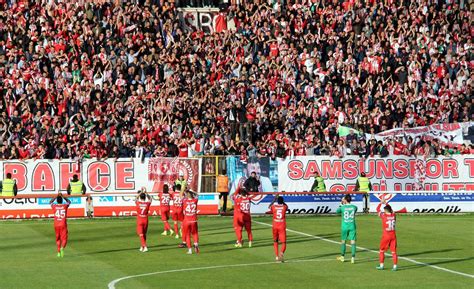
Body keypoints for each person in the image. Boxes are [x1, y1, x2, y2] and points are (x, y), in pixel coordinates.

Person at [376, 199, 398, 271]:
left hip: (386, 236)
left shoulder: (383, 215)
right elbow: (390, 209)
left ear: (385, 211)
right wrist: (386, 203)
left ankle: (381, 265)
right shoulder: (394, 215)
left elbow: (377, 209)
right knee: (394, 252)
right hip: (393, 235)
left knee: (381, 250)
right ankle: (395, 266)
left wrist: (381, 203)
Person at [336, 194, 358, 263]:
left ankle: (342, 257)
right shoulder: (354, 207)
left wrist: (341, 203)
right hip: (352, 226)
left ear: (345, 200)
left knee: (343, 241)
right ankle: (353, 258)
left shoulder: (342, 207)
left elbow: (337, 211)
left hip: (344, 226)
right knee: (353, 241)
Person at [49, 192, 71, 257]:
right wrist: (63, 196)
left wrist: (56, 196)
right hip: (63, 224)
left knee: (57, 239)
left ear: (57, 201)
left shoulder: (54, 206)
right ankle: (62, 248)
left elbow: (50, 202)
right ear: (62, 200)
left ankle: (58, 252)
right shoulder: (65, 206)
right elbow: (69, 201)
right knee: (64, 239)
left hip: (56, 224)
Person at [269, 195, 288, 263]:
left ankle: (277, 256)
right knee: (284, 242)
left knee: (275, 241)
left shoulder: (273, 207)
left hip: (275, 226)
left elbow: (269, 206)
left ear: (277, 201)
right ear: (282, 201)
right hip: (282, 226)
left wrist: (274, 200)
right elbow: (287, 206)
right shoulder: (284, 207)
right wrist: (283, 202)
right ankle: (281, 252)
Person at [182, 190, 200, 254]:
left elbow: (181, 195)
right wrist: (192, 191)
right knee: (195, 233)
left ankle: (190, 250)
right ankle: (196, 244)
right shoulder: (195, 201)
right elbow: (197, 195)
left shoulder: (184, 201)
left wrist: (184, 191)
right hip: (194, 220)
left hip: (186, 220)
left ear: (187, 196)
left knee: (187, 235)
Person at [135, 188, 152, 252]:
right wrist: (146, 192)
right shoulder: (147, 203)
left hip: (140, 219)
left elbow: (135, 199)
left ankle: (145, 246)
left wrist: (140, 193)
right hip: (145, 219)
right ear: (145, 198)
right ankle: (142, 246)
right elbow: (150, 199)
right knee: (144, 234)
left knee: (140, 234)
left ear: (140, 197)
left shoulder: (138, 203)